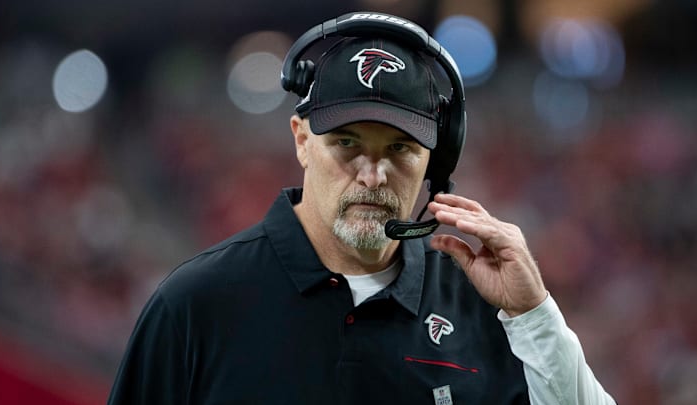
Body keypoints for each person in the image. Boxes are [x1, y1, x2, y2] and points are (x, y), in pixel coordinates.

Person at [108, 12, 616, 405]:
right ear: (302, 140)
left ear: (434, 161)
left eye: (400, 149)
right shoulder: (195, 305)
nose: (372, 175)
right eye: (348, 144)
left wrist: (535, 316)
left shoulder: (489, 309)